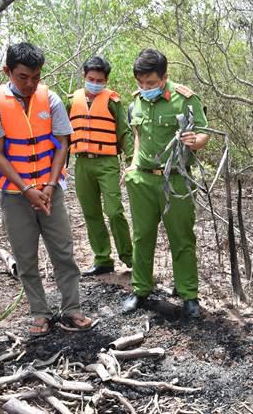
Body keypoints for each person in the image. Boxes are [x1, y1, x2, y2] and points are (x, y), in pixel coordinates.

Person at [0, 42, 97, 336]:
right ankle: (39, 312)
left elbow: (62, 145)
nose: (30, 84)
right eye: (22, 77)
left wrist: (51, 185)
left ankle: (72, 310)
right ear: (8, 71)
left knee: (64, 253)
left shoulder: (51, 99)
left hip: (51, 192)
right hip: (16, 196)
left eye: (36, 77)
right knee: (26, 256)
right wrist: (28, 189)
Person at [122, 49, 209, 317]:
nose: (145, 88)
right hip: (143, 181)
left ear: (164, 77)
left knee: (182, 238)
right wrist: (133, 166)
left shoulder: (185, 99)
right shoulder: (135, 102)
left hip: (176, 181)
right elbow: (138, 135)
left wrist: (197, 141)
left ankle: (189, 295)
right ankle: (140, 290)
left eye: (151, 83)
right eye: (141, 83)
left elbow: (204, 132)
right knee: (142, 237)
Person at [67, 56, 134, 276]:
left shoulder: (113, 101)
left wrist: (133, 162)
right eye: (91, 78)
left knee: (114, 211)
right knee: (91, 213)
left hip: (107, 162)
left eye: (99, 80)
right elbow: (63, 136)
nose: (95, 83)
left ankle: (129, 257)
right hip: (82, 163)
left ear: (106, 81)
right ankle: (103, 259)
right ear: (84, 76)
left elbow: (123, 132)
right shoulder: (71, 100)